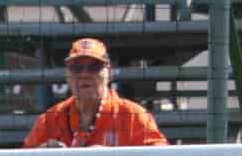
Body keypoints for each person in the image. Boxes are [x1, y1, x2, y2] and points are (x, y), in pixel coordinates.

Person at [22, 38, 167, 149]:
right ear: (67, 75)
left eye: (94, 67)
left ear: (109, 73)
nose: (84, 74)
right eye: (76, 68)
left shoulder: (134, 116)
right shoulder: (50, 120)